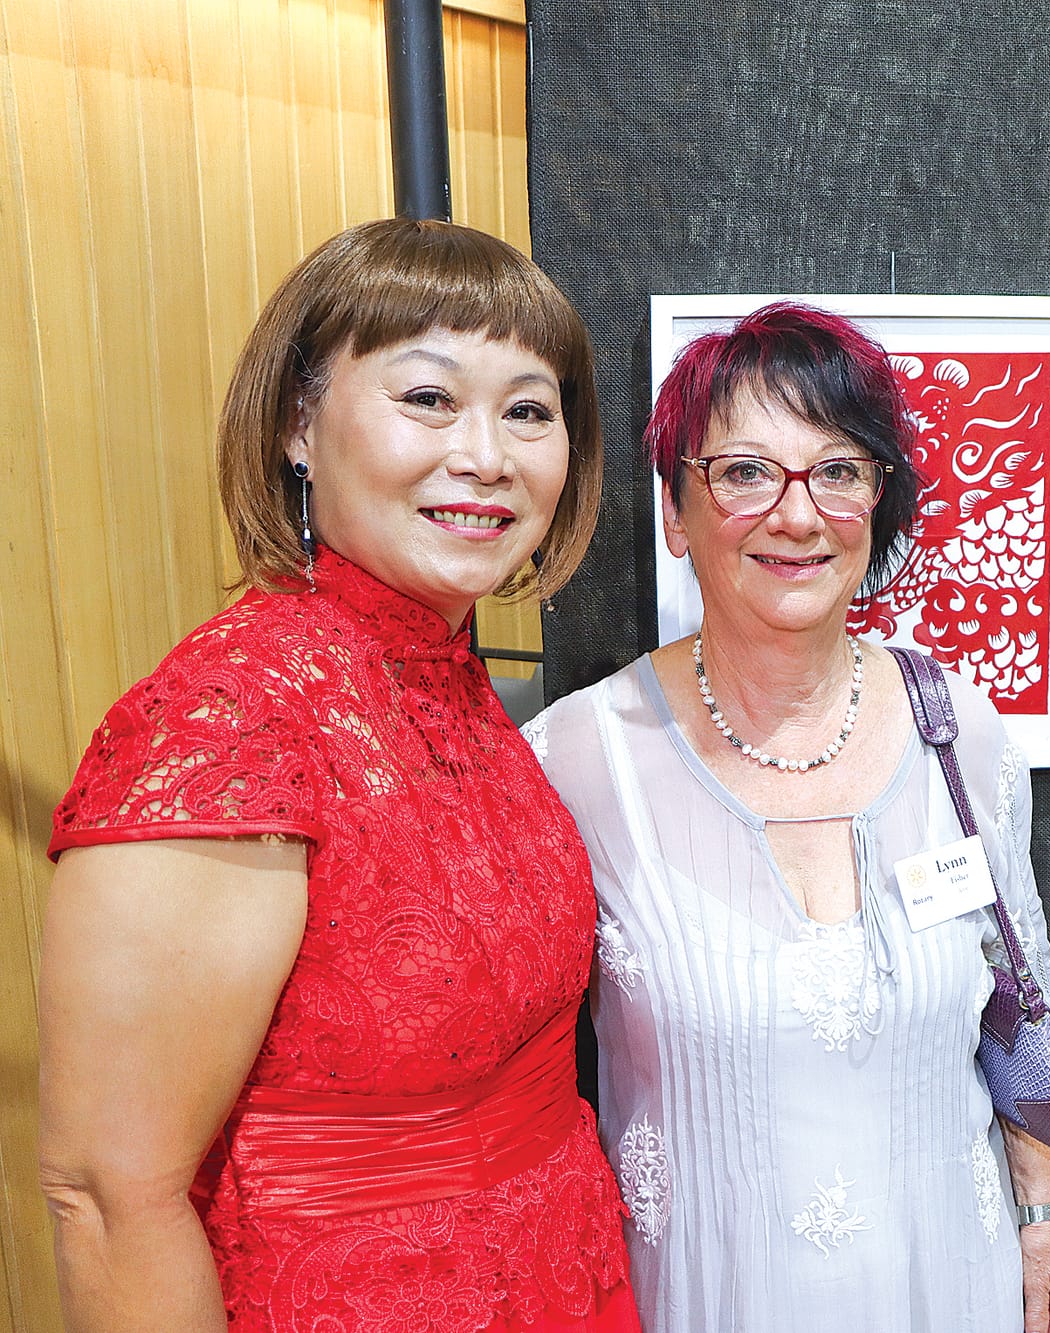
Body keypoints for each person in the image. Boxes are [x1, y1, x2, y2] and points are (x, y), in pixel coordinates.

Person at [37, 217, 640, 1333]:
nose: (486, 455)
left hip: (564, 1273)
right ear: (298, 425)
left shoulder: (453, 682)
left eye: (527, 410)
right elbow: (112, 1195)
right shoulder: (225, 724)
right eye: (427, 398)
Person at [526, 302, 1050, 1332]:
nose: (797, 513)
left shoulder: (960, 733)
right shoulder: (571, 763)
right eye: (744, 471)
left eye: (838, 469)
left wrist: (1042, 1214)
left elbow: (1015, 992)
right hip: (709, 1294)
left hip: (947, 1282)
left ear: (876, 497)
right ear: (672, 509)